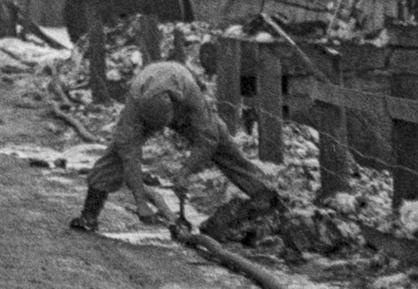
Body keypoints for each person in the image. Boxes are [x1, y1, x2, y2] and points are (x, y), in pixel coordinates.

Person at [71, 57, 279, 234]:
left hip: (179, 91)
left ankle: (265, 195)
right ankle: (89, 215)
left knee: (221, 141)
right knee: (117, 152)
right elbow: (129, 154)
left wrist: (186, 172)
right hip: (147, 98)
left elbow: (208, 138)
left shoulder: (190, 94)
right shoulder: (135, 107)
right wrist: (140, 201)